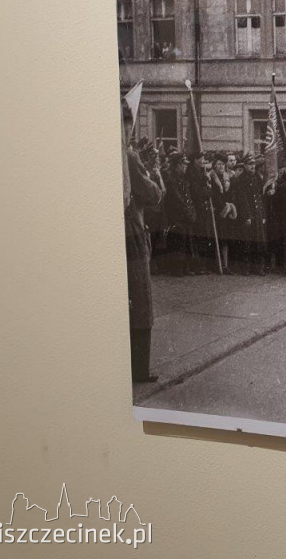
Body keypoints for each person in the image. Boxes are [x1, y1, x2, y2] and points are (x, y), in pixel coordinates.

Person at [123, 108, 165, 383]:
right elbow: (153, 194)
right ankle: (139, 369)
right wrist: (154, 171)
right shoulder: (127, 156)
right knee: (140, 303)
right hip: (132, 235)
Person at [230, 153, 267, 275]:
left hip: (257, 214)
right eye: (250, 164)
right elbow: (242, 199)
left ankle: (258, 267)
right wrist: (247, 216)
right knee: (247, 242)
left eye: (253, 164)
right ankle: (246, 268)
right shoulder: (241, 179)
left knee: (258, 241)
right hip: (248, 215)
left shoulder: (256, 178)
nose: (252, 166)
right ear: (244, 165)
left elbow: (260, 198)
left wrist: (262, 215)